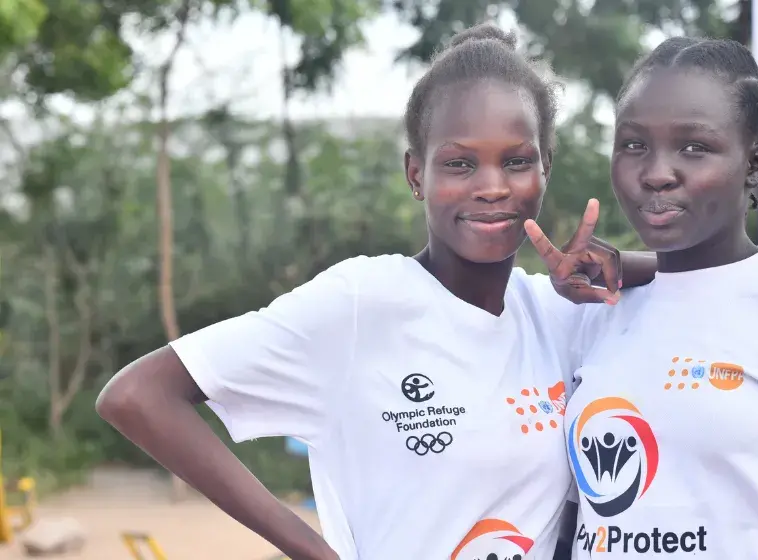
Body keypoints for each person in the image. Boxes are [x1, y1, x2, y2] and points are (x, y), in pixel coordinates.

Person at [96, 24, 656, 560]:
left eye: (516, 161)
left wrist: (619, 263)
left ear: (545, 167)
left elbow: (717, 282)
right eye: (460, 163)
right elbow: (137, 396)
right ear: (416, 174)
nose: (492, 187)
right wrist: (316, 552)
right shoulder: (362, 304)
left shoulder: (556, 314)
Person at [529, 37, 758, 559]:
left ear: (755, 164)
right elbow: (571, 525)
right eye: (634, 144)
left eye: (693, 147)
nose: (656, 171)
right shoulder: (596, 312)